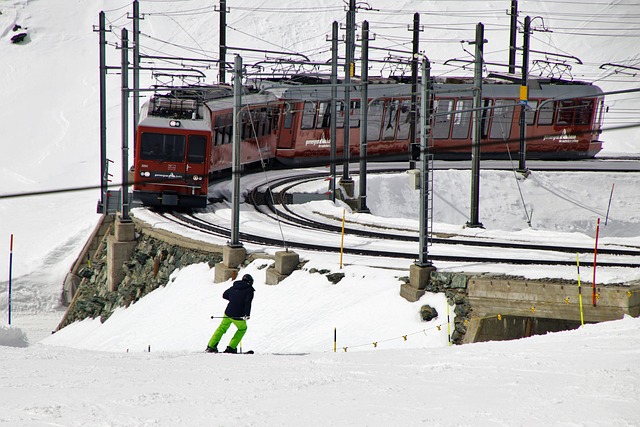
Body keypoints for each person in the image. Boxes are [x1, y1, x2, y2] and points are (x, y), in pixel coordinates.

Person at [206, 274, 255, 354]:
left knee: (222, 328)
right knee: (242, 329)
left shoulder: (234, 286)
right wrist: (247, 314)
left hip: (228, 313)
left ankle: (211, 346)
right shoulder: (249, 290)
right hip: (238, 315)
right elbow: (247, 303)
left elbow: (225, 295)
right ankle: (231, 347)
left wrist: (234, 299)